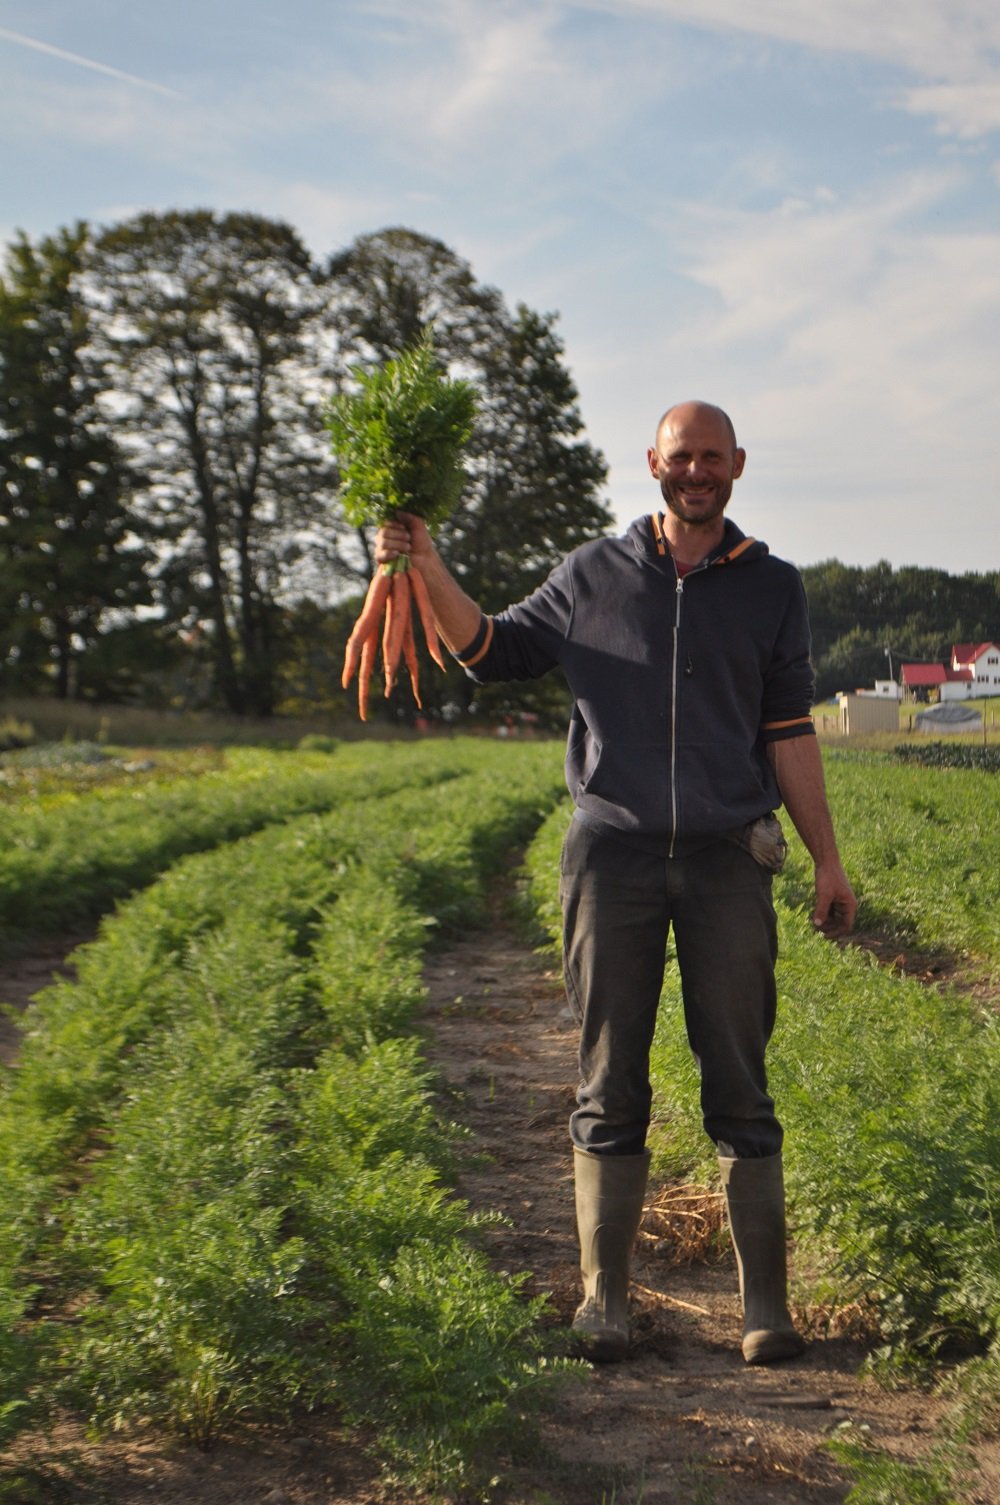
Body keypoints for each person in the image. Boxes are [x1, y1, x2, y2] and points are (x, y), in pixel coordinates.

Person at [375, 400, 856, 1367]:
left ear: (737, 466)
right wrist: (425, 563)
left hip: (727, 859)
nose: (696, 472)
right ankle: (606, 1300)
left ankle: (766, 1306)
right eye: (681, 457)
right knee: (608, 1077)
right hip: (612, 858)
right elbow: (490, 649)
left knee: (741, 1079)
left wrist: (829, 859)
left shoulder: (772, 586)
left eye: (712, 458)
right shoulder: (593, 572)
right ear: (653, 463)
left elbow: (790, 727)